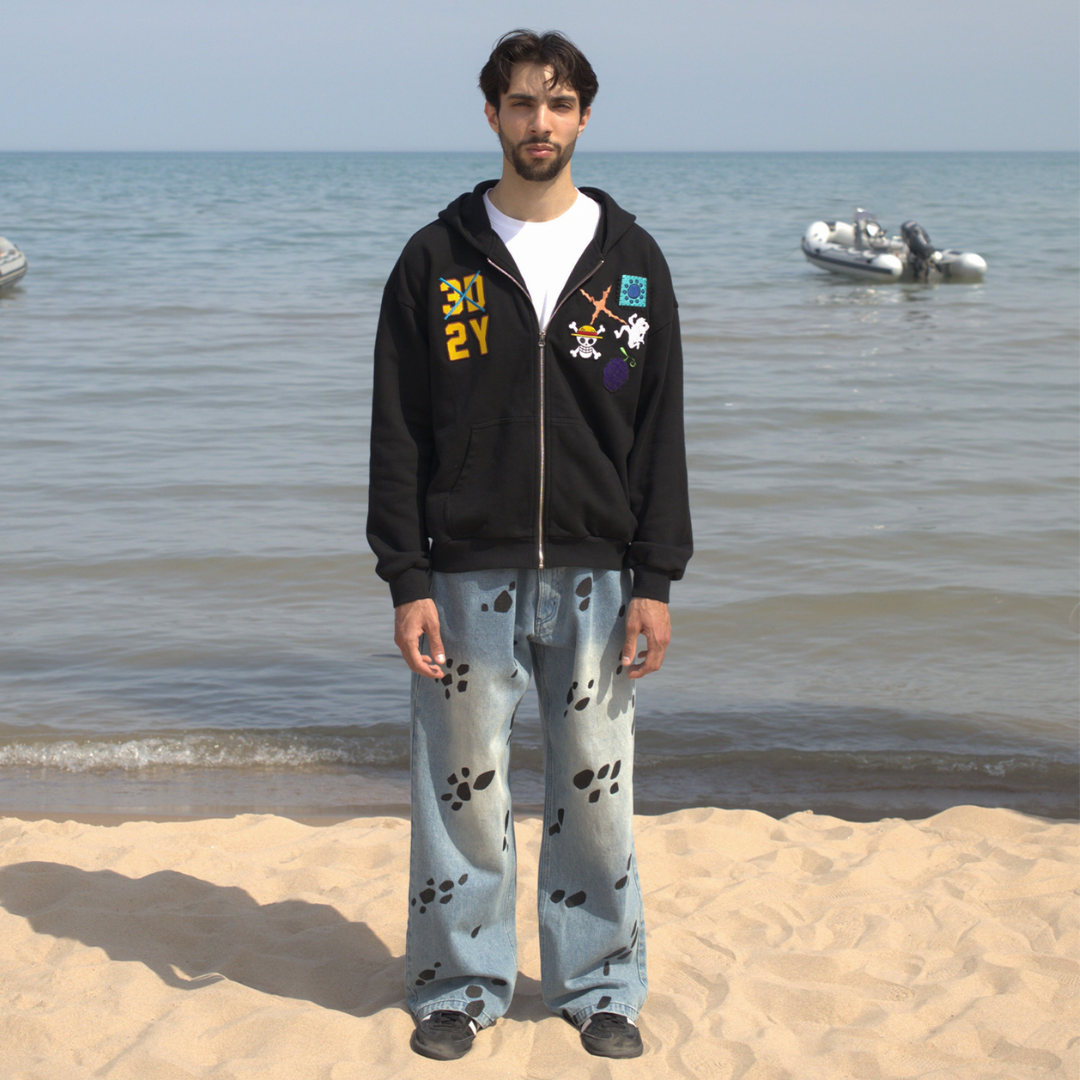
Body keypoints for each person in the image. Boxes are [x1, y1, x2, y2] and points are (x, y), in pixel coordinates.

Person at [367, 28, 692, 1061]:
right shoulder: (436, 260)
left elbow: (659, 431)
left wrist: (656, 577)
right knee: (461, 791)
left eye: (557, 104)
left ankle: (599, 984)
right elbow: (398, 431)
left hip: (598, 574)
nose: (538, 122)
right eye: (520, 103)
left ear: (583, 116)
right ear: (492, 115)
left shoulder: (631, 263)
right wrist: (406, 577)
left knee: (596, 786)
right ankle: (458, 984)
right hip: (466, 575)